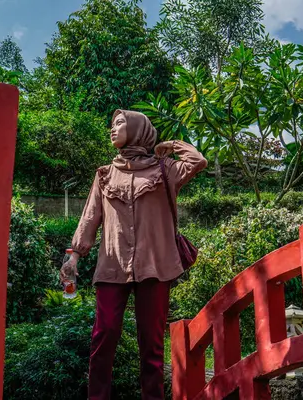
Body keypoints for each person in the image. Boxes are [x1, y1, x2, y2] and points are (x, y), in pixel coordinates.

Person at [60, 109, 207, 400]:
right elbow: (90, 217)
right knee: (104, 337)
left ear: (138, 128)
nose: (112, 130)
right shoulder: (104, 174)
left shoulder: (165, 169)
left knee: (151, 346)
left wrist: (172, 145)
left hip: (155, 267)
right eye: (111, 125)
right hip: (113, 265)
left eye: (119, 124)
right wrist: (74, 256)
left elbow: (198, 161)